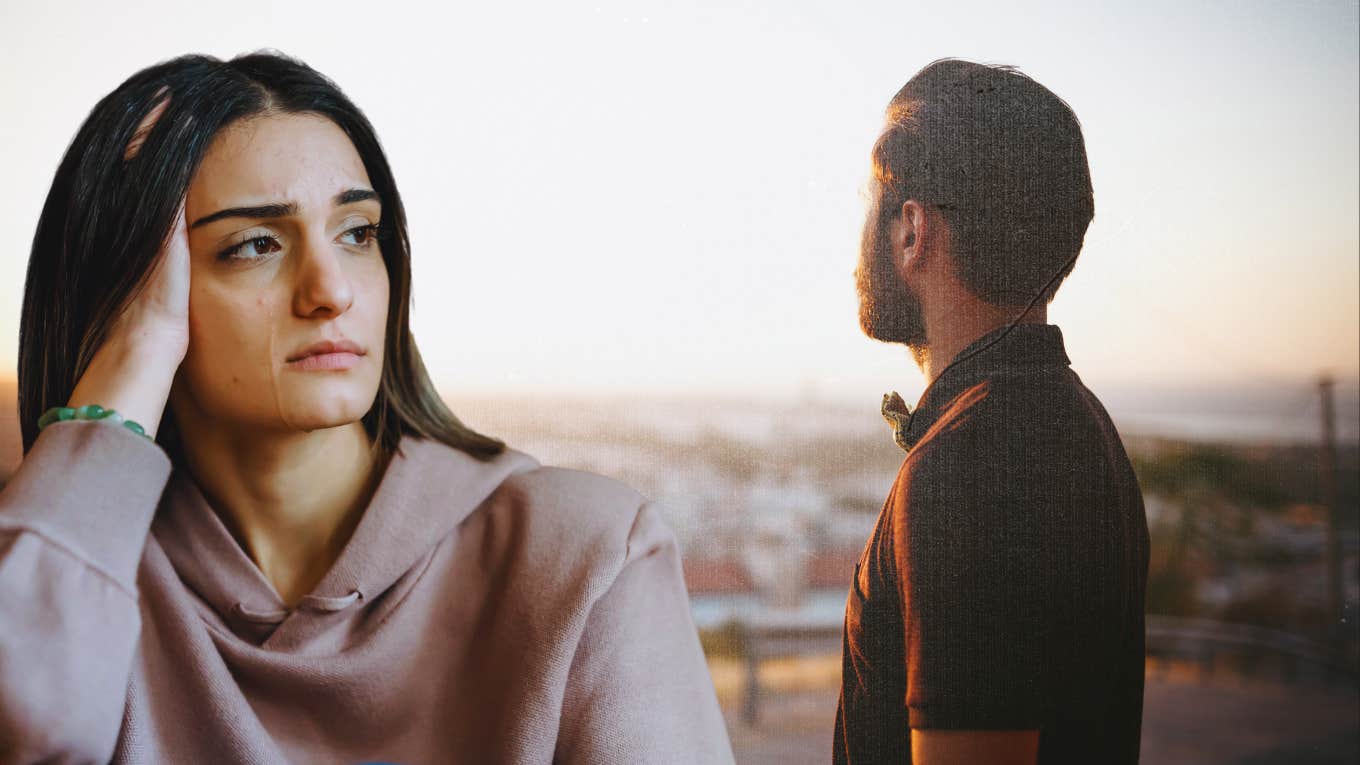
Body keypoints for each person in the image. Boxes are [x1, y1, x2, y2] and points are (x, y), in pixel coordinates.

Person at [0, 51, 733, 764]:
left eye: (357, 233)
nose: (331, 290)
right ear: (132, 293)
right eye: (255, 244)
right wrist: (130, 362)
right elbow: (23, 724)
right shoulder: (66, 562)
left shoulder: (586, 553)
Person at [835, 59, 1150, 764]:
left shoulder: (968, 462)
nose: (859, 232)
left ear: (913, 230)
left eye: (868, 200)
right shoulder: (1076, 419)